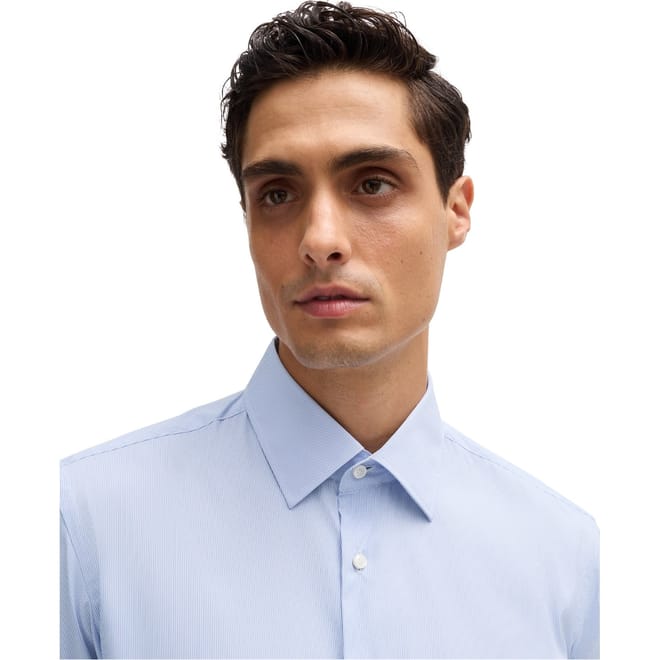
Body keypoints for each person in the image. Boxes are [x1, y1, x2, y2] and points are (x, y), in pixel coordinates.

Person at [60, 1, 599, 657]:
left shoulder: (567, 561)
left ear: (456, 211)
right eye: (278, 193)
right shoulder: (81, 527)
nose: (319, 240)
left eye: (372, 184)